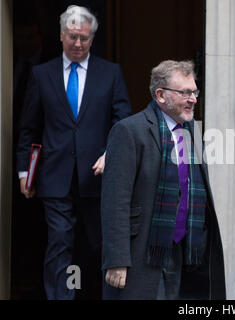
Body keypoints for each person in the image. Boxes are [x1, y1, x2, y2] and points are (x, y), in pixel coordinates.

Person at [16, 5, 132, 300]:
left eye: (84, 37)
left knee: (96, 245)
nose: (78, 44)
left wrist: (111, 154)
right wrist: (24, 172)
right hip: (55, 177)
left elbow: (123, 123)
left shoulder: (111, 73)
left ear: (92, 38)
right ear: (60, 35)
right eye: (72, 37)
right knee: (59, 243)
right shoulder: (42, 75)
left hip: (97, 176)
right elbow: (29, 128)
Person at [101, 60, 226, 300]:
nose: (193, 99)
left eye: (194, 92)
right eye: (185, 92)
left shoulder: (193, 133)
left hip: (186, 253)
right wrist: (116, 260)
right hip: (143, 252)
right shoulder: (129, 131)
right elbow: (114, 202)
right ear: (160, 95)